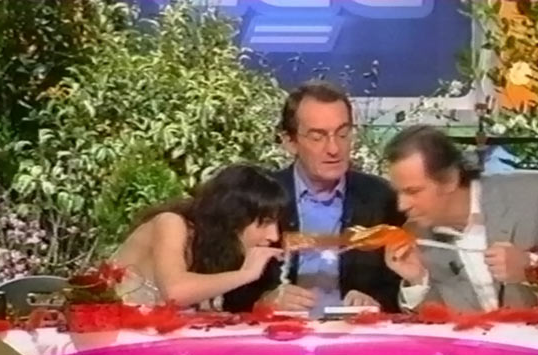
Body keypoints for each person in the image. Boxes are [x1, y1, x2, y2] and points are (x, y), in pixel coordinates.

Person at [382, 125, 538, 311]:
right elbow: (438, 328)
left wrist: (534, 267)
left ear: (450, 180)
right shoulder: (419, 238)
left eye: (413, 192)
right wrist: (418, 280)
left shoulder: (536, 195)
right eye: (399, 193)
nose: (402, 205)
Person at [258, 80, 404, 315]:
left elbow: (403, 282)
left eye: (343, 134)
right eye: (318, 137)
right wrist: (263, 301)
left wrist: (377, 302)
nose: (334, 149)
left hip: (357, 333)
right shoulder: (260, 199)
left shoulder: (382, 198)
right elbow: (231, 284)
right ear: (290, 142)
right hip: (279, 332)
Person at [111, 164, 286, 311]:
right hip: (113, 335)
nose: (274, 236)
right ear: (235, 216)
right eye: (265, 223)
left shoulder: (219, 249)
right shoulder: (171, 223)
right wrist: (246, 274)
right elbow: (175, 293)